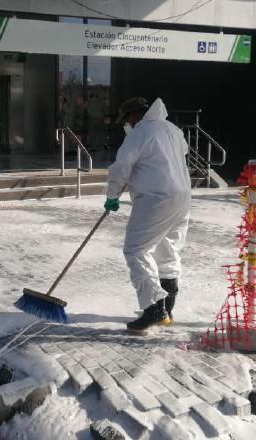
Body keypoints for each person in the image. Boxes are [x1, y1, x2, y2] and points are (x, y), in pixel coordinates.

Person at [104, 97, 191, 333]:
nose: (127, 125)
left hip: (155, 198)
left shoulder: (140, 132)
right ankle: (168, 307)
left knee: (136, 249)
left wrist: (112, 194)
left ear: (134, 116)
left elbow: (122, 166)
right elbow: (179, 155)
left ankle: (154, 308)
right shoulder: (172, 129)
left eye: (127, 121)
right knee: (167, 249)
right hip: (182, 196)